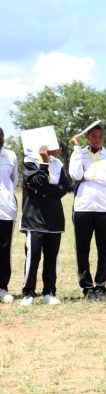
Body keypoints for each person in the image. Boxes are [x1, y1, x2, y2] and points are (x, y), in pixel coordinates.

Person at [69, 124, 106, 301]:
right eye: (93, 136)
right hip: (83, 206)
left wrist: (90, 176)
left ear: (103, 138)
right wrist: (76, 149)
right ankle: (87, 287)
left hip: (105, 207)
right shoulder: (79, 153)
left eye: (100, 136)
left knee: (104, 248)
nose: (97, 139)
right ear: (88, 138)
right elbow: (76, 175)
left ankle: (100, 286)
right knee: (82, 249)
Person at [20, 139, 72, 305]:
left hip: (55, 218)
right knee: (33, 255)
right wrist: (43, 163)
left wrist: (43, 191)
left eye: (60, 145)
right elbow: (35, 182)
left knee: (52, 257)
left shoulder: (58, 163)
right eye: (56, 145)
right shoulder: (29, 161)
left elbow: (64, 188)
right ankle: (28, 293)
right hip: (33, 218)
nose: (60, 148)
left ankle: (48, 292)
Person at [0, 127, 17, 303]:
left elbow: (15, 180)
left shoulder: (10, 156)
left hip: (5, 210)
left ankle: (2, 287)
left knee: (4, 250)